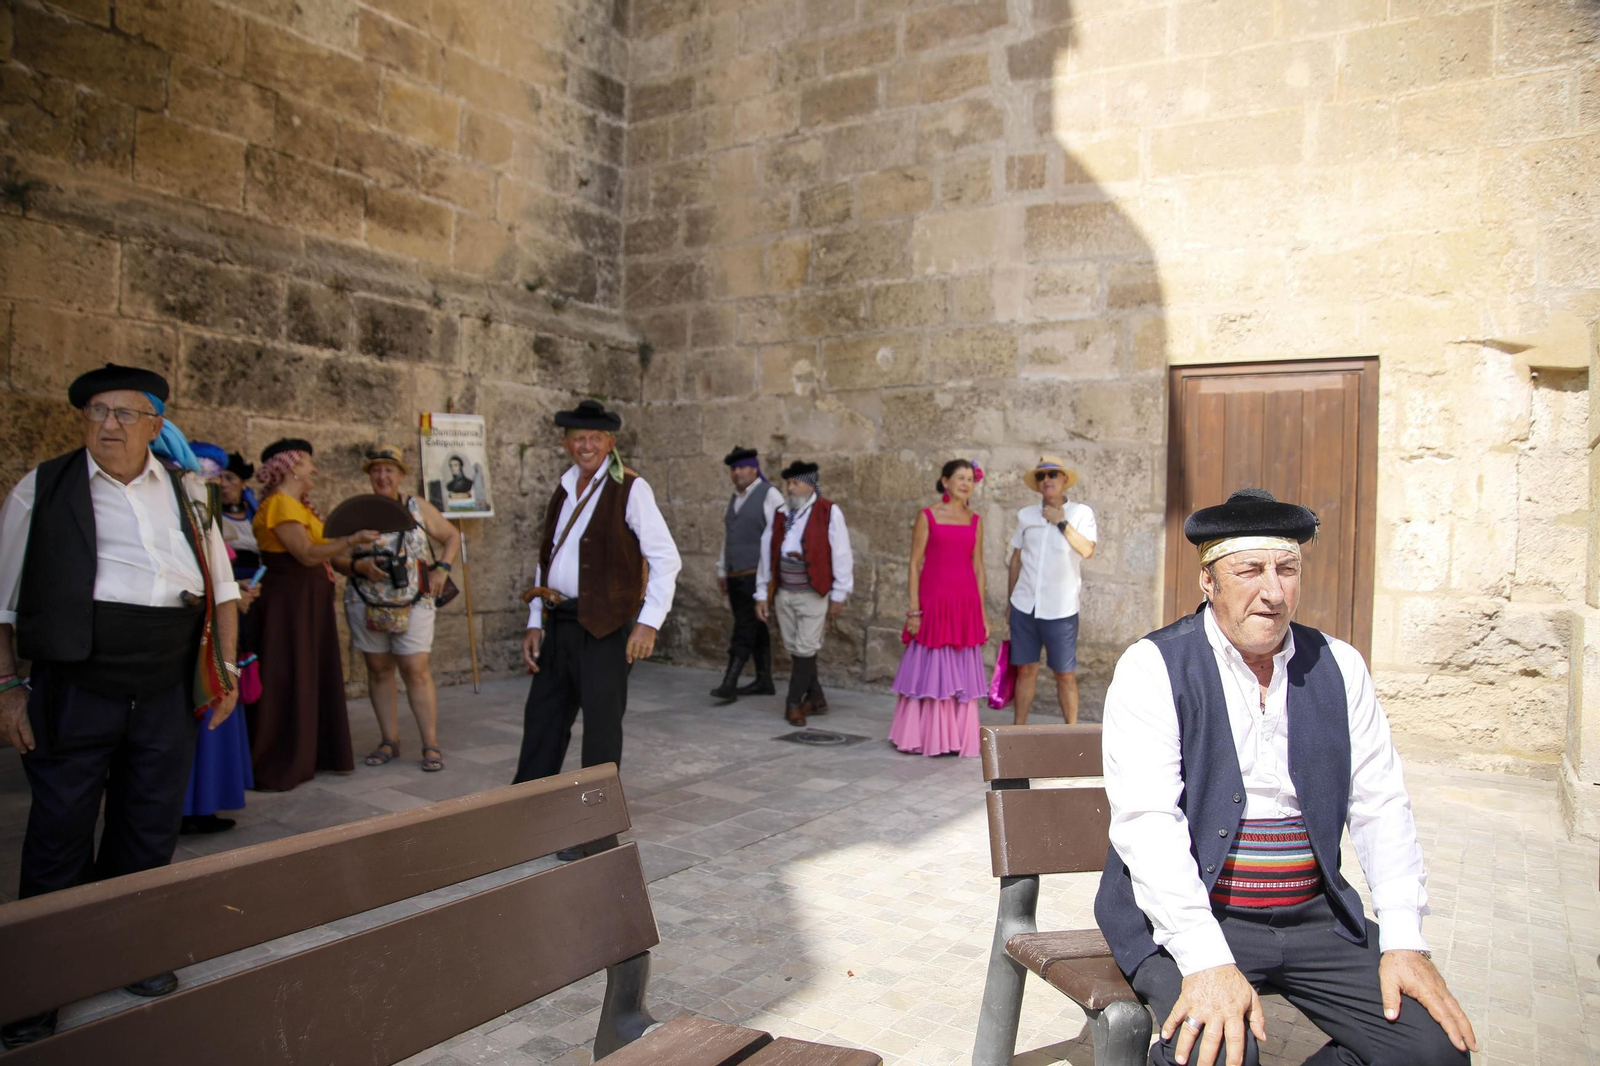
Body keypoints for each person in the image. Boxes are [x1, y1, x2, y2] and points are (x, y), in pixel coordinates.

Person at [1094, 488, 1477, 1066]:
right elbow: (1147, 822)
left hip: (1314, 917)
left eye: (1287, 569)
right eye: (1250, 570)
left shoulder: (1339, 665)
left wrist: (1403, 940)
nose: (1273, 591)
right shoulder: (1153, 666)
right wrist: (1206, 960)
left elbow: (1381, 804)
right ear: (1208, 581)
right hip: (1194, 915)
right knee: (1217, 1054)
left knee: (1434, 1052)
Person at [0, 364, 241, 1047]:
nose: (109, 424)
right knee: (58, 832)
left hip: (164, 686)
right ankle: (35, 986)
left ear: (155, 425)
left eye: (124, 413)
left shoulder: (191, 493)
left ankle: (128, 953)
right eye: (97, 412)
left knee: (148, 823)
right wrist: (8, 689)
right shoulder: (41, 489)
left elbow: (222, 589)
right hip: (75, 684)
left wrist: (222, 672)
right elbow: (1, 606)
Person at [514, 400, 681, 809]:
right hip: (560, 623)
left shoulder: (632, 488)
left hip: (606, 629)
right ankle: (524, 817)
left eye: (594, 438)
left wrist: (648, 623)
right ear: (565, 442)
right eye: (577, 438)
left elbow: (666, 559)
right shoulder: (565, 486)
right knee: (543, 721)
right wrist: (536, 619)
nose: (585, 446)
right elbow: (547, 559)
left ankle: (596, 830)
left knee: (602, 732)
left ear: (610, 442)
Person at [249, 439, 378, 792]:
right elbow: (306, 554)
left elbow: (325, 555)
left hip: (308, 599)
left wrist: (359, 564)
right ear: (291, 467)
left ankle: (310, 752)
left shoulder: (297, 506)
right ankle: (282, 757)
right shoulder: (279, 504)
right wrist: (351, 539)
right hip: (288, 602)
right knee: (288, 672)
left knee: (307, 671)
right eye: (308, 463)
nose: (314, 470)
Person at [342, 445, 460, 773]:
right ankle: (388, 739)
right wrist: (359, 568)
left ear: (401, 475)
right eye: (376, 470)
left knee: (415, 669)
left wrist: (443, 569)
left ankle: (430, 742)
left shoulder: (417, 507)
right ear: (369, 475)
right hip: (366, 601)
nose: (383, 476)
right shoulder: (357, 511)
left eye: (389, 470)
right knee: (379, 669)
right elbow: (335, 554)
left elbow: (451, 536)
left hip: (414, 600)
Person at [177, 442, 260, 833]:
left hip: (216, 634)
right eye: (207, 476)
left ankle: (204, 804)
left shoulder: (206, 517)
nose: (214, 484)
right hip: (186, 636)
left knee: (216, 707)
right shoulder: (175, 517)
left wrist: (235, 591)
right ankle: (184, 806)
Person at [889, 459, 988, 757]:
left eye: (970, 478)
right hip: (933, 604)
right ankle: (927, 736)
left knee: (960, 671)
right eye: (960, 477)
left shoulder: (975, 520)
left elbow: (979, 567)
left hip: (965, 605)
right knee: (932, 668)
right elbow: (914, 563)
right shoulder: (928, 516)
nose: (966, 483)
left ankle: (956, 739)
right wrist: (914, 610)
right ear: (945, 481)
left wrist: (982, 614)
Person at [754, 461, 853, 727]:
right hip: (785, 592)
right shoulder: (781, 514)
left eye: (795, 483)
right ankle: (817, 697)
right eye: (788, 483)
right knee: (795, 649)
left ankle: (794, 703)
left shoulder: (828, 511)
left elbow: (841, 554)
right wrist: (762, 593)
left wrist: (839, 594)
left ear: (810, 486)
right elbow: (767, 554)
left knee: (806, 648)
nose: (790, 488)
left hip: (814, 592)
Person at [1006, 456, 1096, 725]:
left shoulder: (1081, 513)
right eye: (1042, 476)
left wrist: (1061, 522)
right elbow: (1015, 559)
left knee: (1065, 673)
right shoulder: (1026, 515)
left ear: (1064, 480)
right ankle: (1018, 732)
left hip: (1061, 609)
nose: (1047, 480)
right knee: (1025, 670)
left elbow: (1087, 550)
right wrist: (1010, 601)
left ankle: (1073, 734)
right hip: (1025, 605)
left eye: (1053, 474)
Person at [710, 446, 783, 703]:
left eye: (742, 467)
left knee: (744, 626)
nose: (737, 472)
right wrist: (722, 568)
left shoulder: (769, 495)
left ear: (754, 468)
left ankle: (729, 683)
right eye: (733, 469)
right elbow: (728, 536)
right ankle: (764, 680)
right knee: (756, 627)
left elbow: (779, 535)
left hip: (757, 575)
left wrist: (772, 575)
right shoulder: (735, 499)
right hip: (735, 573)